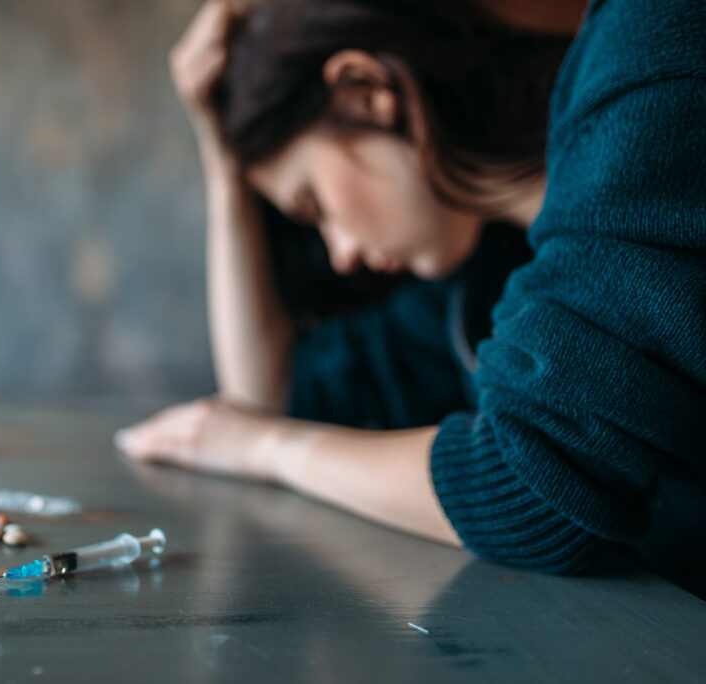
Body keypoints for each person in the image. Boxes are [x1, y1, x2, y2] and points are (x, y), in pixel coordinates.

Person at [115, 0, 706, 596]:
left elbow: (535, 492)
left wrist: (270, 451)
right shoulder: (489, 275)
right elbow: (276, 396)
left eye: (314, 205)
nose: (341, 253)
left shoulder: (653, 44)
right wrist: (223, 162)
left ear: (363, 92)